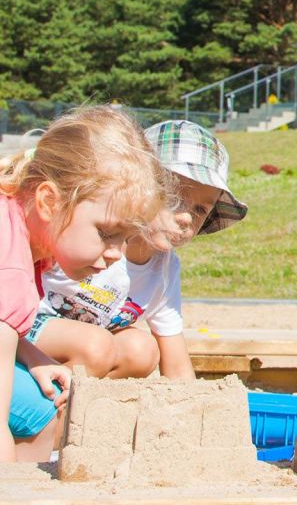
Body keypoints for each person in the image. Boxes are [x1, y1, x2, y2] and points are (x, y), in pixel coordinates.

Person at [0, 106, 168, 462]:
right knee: (42, 413)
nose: (117, 254)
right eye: (106, 233)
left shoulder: (22, 229)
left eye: (125, 238)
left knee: (41, 399)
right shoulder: (10, 264)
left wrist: (32, 355)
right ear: (49, 201)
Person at [28, 120, 247, 380]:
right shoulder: (91, 236)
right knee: (96, 345)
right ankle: (39, 399)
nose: (186, 217)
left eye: (200, 209)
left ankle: (77, 399)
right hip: (27, 330)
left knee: (142, 350)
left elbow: (176, 360)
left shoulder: (164, 269)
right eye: (174, 198)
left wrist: (190, 403)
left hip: (87, 349)